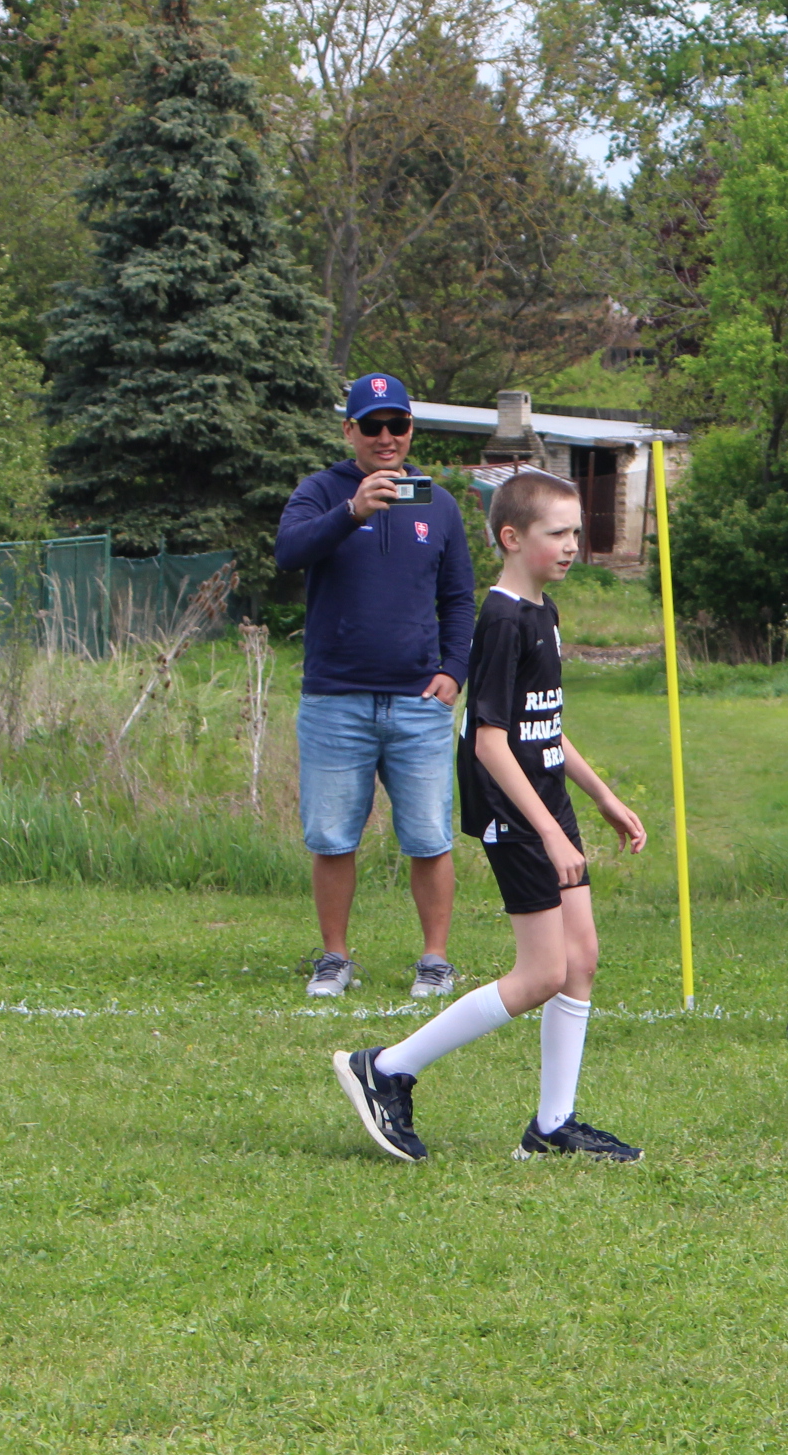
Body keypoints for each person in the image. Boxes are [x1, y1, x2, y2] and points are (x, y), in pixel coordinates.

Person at [332, 469, 648, 1165]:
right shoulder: (502, 619)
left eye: (575, 532)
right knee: (541, 974)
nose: (572, 545)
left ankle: (553, 1127)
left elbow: (544, 725)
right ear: (511, 537)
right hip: (516, 812)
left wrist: (601, 796)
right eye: (557, 533)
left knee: (581, 960)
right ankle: (386, 1068)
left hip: (549, 805)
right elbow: (489, 741)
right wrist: (549, 833)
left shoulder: (543, 612)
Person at [276, 372, 475, 1001]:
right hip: (335, 699)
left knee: (429, 838)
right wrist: (352, 512)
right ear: (349, 430)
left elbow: (459, 598)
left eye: (398, 424)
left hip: (419, 703)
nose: (386, 437)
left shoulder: (437, 504)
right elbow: (288, 551)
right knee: (333, 838)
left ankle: (435, 960)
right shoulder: (319, 492)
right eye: (372, 425)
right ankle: (334, 958)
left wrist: (454, 671)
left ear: (411, 429)